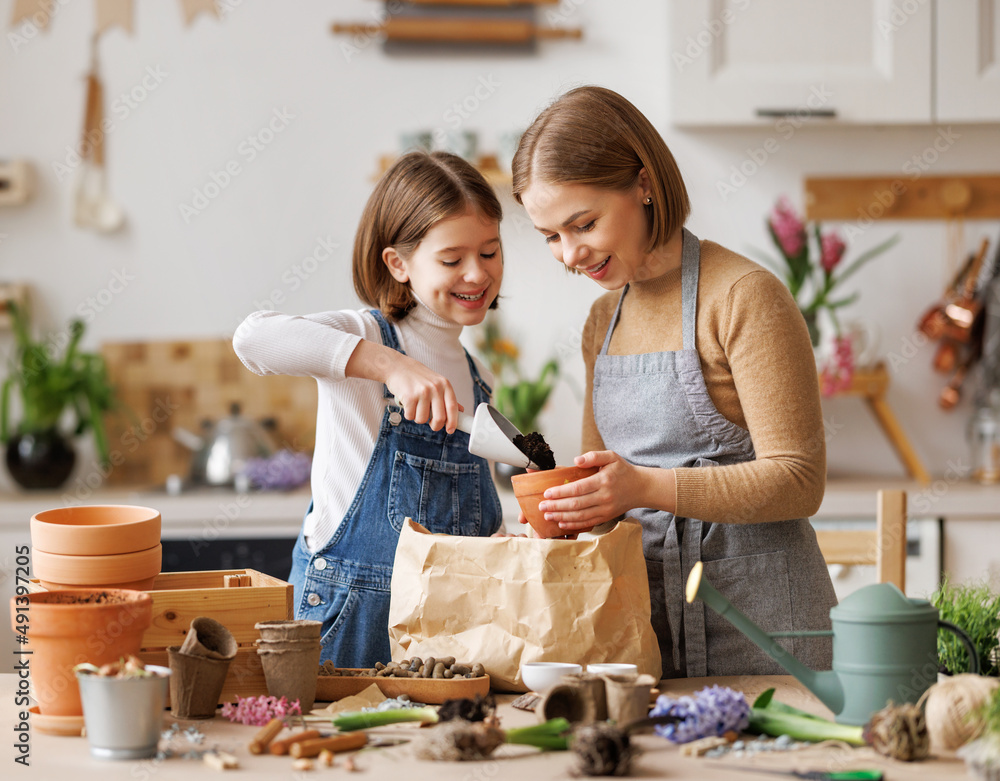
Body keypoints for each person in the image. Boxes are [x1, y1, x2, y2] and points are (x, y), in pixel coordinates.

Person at [511, 86, 837, 678]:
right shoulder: (602, 320)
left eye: (583, 224)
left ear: (644, 184)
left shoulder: (743, 297)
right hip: (642, 633)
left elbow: (799, 480)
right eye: (551, 236)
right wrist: (566, 511)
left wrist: (640, 488)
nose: (568, 254)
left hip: (767, 632)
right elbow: (603, 481)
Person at [233, 151, 505, 668]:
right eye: (452, 260)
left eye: (490, 252)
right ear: (398, 264)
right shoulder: (366, 336)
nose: (477, 273)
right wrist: (389, 366)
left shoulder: (479, 377)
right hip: (348, 623)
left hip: (443, 639)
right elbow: (253, 339)